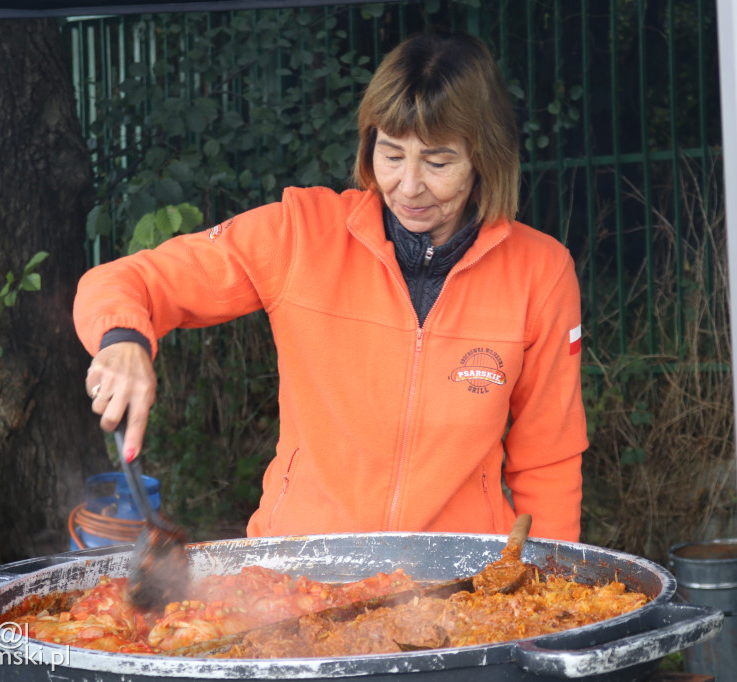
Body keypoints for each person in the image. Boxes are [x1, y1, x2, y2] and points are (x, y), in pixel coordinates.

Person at [74, 31, 588, 541]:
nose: (408, 187)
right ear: (369, 145)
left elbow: (548, 459)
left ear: (483, 159)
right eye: (391, 155)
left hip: (457, 587)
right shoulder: (301, 234)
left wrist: (548, 587)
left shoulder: (540, 272)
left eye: (437, 162)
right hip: (297, 580)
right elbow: (129, 279)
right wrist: (123, 340)